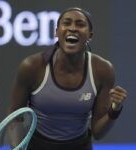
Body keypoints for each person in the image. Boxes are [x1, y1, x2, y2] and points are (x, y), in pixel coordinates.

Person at [8, 7, 127, 150]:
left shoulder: (103, 70)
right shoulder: (32, 67)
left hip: (80, 145)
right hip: (38, 145)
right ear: (57, 32)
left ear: (90, 35)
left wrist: (115, 109)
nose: (73, 28)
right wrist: (16, 147)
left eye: (80, 24)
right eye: (67, 23)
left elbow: (98, 132)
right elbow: (16, 117)